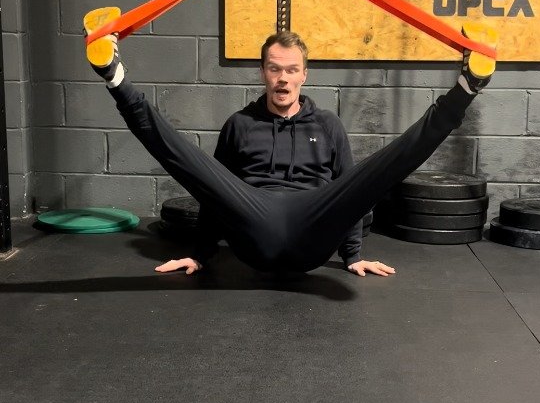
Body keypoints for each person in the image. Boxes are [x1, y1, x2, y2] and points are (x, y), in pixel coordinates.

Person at [84, 15, 494, 278]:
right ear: (263, 72)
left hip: (313, 227)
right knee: (185, 159)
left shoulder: (328, 125)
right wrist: (201, 253)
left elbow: (351, 195)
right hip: (254, 227)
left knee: (382, 168)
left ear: (304, 75)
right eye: (275, 69)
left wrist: (353, 256)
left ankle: (467, 86)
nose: (283, 78)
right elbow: (213, 194)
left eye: (291, 70)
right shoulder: (240, 125)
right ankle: (114, 75)